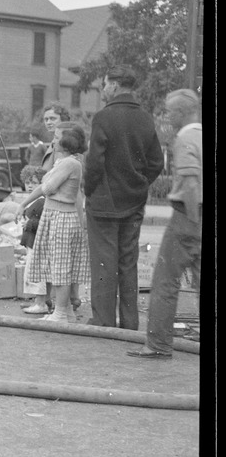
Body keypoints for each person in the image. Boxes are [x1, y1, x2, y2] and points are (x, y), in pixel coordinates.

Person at [83, 66, 164, 330]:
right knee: (128, 262)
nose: (103, 89)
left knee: (105, 263)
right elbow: (156, 162)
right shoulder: (145, 118)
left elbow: (94, 162)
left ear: (115, 85)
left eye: (105, 84)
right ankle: (129, 324)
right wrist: (140, 185)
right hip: (134, 201)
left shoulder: (103, 117)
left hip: (104, 203)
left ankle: (104, 322)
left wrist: (89, 190)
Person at [127, 89, 202, 360]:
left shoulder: (185, 139)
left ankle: (157, 344)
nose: (168, 117)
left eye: (170, 112)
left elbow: (191, 182)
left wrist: (193, 223)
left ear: (182, 112)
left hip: (186, 216)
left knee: (164, 283)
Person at [18, 125, 90, 323]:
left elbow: (48, 186)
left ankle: (60, 312)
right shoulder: (64, 162)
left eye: (57, 137)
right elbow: (45, 186)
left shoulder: (68, 163)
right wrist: (24, 202)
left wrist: (47, 179)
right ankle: (65, 310)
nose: (53, 141)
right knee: (57, 265)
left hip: (61, 217)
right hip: (56, 215)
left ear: (67, 142)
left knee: (60, 267)